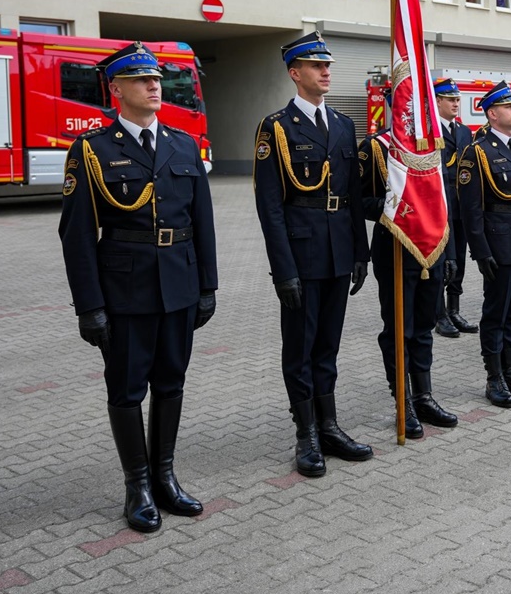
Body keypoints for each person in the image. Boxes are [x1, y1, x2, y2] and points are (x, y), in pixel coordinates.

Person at [60, 42, 218, 533]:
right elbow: (78, 234)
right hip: (126, 290)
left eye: (157, 79)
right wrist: (90, 306)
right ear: (117, 90)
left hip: (179, 284)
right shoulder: (93, 150)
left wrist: (207, 285)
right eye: (142, 80)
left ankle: (166, 478)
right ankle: (138, 487)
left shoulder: (184, 144)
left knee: (171, 382)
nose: (155, 86)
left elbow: (204, 221)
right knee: (128, 389)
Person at [253, 32, 373, 478]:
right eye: (315, 65)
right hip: (302, 255)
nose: (326, 72)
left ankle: (329, 426)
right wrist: (283, 269)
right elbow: (270, 205)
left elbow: (354, 197)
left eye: (328, 66)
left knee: (328, 347)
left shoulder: (343, 124)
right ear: (294, 72)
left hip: (339, 250)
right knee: (299, 349)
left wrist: (361, 252)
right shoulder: (276, 128)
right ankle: (305, 435)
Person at [358, 89, 459, 439]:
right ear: (394, 104)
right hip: (395, 249)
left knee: (424, 327)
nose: (415, 111)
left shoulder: (432, 147)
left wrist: (450, 254)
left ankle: (424, 394)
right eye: (409, 104)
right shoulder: (375, 147)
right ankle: (403, 400)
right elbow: (360, 201)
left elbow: (444, 205)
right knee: (399, 328)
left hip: (432, 250)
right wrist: (394, 206)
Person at [460, 81, 511, 406]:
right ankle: (493, 377)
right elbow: (471, 208)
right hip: (499, 243)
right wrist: (480, 251)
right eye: (509, 106)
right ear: (493, 114)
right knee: (496, 312)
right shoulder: (477, 151)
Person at [433, 79, 475, 339]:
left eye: (458, 99)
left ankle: (454, 308)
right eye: (450, 99)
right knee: (440, 261)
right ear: (437, 101)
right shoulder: (430, 130)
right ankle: (439, 314)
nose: (456, 103)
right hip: (439, 204)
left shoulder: (464, 132)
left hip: (461, 205)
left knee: (458, 258)